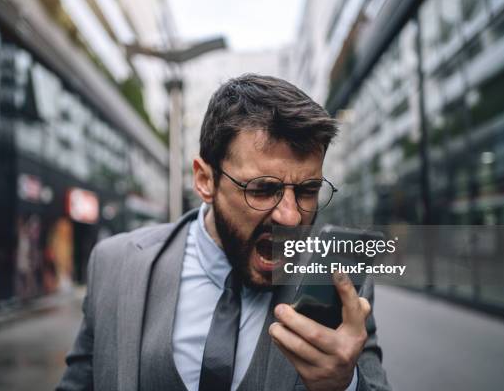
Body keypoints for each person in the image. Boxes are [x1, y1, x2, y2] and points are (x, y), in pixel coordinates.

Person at [57, 74, 390, 391]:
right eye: (262, 189)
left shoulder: (337, 283)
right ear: (205, 180)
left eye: (307, 190)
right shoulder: (115, 264)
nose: (290, 217)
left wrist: (344, 384)